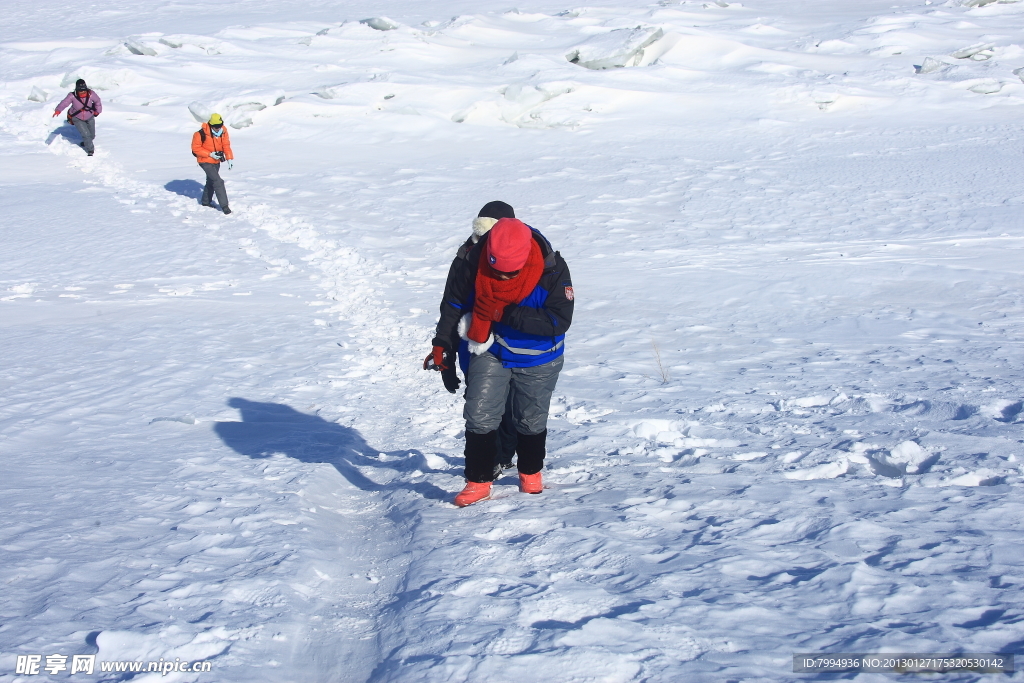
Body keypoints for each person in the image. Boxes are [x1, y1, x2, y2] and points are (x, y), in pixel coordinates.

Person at [428, 215, 574, 507]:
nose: (503, 279)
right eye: (497, 271)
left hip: (539, 357)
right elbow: (454, 305)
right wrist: (443, 343)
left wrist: (502, 313)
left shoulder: (552, 268)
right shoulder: (473, 260)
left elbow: (559, 320)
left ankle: (530, 473)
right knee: (479, 413)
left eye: (511, 273)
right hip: (489, 349)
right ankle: (478, 480)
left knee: (530, 418)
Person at [426, 201, 521, 476]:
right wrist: (444, 349)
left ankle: (505, 455)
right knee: (480, 403)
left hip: (513, 341)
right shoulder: (466, 257)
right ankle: (487, 461)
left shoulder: (522, 255)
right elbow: (452, 306)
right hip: (474, 343)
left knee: (512, 406)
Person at [191, 113, 234, 215]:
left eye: (219, 126)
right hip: (204, 160)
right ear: (210, 125)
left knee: (211, 181)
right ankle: (225, 206)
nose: (218, 128)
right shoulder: (199, 134)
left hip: (216, 161)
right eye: (215, 127)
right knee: (218, 181)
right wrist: (210, 154)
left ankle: (206, 202)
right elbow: (195, 148)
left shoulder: (223, 131)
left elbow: (226, 145)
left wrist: (229, 158)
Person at [53, 79, 102, 156]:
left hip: (89, 116)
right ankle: (90, 150)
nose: (83, 94)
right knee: (86, 135)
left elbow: (97, 101)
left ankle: (86, 142)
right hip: (77, 118)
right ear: (77, 90)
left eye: (84, 92)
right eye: (80, 92)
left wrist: (97, 111)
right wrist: (58, 110)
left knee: (92, 135)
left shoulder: (91, 94)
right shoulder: (72, 96)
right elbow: (64, 103)